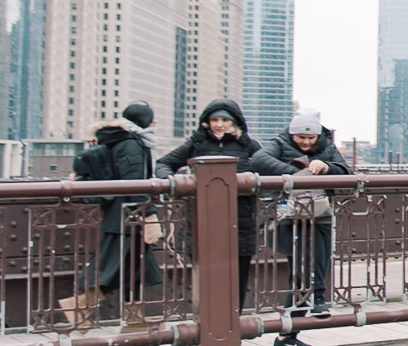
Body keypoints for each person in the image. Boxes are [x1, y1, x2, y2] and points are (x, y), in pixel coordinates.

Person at [156, 99, 296, 328]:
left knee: (238, 276)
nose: (219, 125)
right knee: (205, 276)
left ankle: (232, 324)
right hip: (203, 220)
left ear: (235, 123)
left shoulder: (249, 145)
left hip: (240, 219)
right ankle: (205, 325)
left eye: (224, 120)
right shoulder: (196, 143)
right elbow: (164, 163)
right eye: (214, 120)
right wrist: (175, 184)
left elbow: (270, 168)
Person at [65, 102, 163, 326]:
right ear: (147, 122)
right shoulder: (131, 144)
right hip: (127, 218)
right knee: (112, 269)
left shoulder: (121, 139)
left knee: (135, 270)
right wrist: (148, 214)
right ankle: (79, 312)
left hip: (121, 215)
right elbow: (136, 184)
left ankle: (135, 322)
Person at [261, 108, 350, 326]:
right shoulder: (280, 143)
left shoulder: (327, 147)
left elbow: (346, 174)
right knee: (300, 271)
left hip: (319, 213)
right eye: (301, 137)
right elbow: (260, 160)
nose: (306, 142)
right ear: (292, 134)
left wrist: (327, 167)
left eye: (311, 138)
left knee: (318, 259)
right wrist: (295, 173)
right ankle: (291, 327)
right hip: (289, 216)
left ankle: (311, 305)